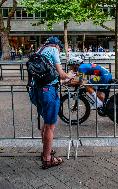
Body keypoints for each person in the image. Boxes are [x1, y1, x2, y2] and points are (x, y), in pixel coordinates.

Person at [33, 36, 72, 169]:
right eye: (60, 48)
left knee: (46, 122)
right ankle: (47, 159)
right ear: (57, 45)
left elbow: (48, 76)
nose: (59, 51)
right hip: (48, 92)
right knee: (50, 126)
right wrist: (69, 75)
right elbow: (61, 74)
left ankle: (46, 151)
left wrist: (60, 81)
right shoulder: (53, 50)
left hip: (37, 91)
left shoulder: (39, 51)